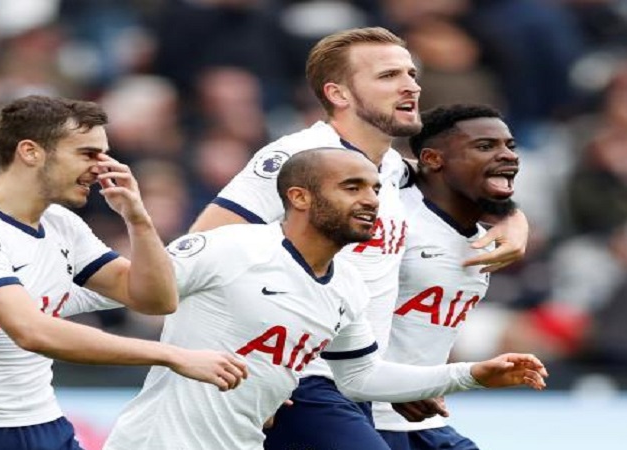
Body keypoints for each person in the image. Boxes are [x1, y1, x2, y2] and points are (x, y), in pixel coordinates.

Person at [189, 27, 530, 449]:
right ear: (339, 94)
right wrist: (243, 369)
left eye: (411, 74)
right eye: (388, 76)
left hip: (359, 380)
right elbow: (199, 254)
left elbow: (463, 179)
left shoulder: (392, 170)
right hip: (300, 379)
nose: (411, 86)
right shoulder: (299, 158)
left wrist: (511, 216)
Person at [103, 148, 547, 450]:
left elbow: (360, 377)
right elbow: (127, 292)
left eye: (375, 189)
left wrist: (470, 374)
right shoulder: (230, 248)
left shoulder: (345, 284)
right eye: (352, 188)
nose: (371, 201)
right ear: (299, 197)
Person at [0, 95, 248, 450]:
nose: (102, 166)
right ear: (30, 152)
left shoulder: (62, 225)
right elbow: (33, 331)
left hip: (41, 424)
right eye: (88, 153)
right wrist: (172, 355)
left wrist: (138, 220)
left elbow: (156, 299)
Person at [374, 104, 521, 450]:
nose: (508, 155)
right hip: (361, 411)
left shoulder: (486, 241)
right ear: (432, 159)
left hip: (422, 418)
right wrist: (387, 385)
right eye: (485, 146)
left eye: (510, 146)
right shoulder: (390, 217)